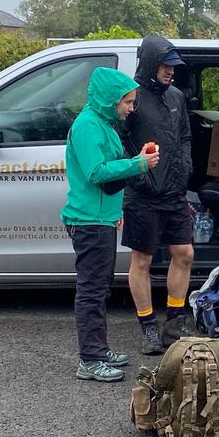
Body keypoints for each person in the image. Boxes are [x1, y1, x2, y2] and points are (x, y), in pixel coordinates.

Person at [62, 67, 160, 382]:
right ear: (110, 99)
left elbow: (111, 171)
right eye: (127, 102)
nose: (131, 108)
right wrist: (137, 164)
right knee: (91, 291)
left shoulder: (103, 123)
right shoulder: (88, 126)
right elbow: (96, 172)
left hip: (100, 218)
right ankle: (89, 359)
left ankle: (99, 351)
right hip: (88, 220)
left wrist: (137, 160)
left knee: (99, 288)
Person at [123, 35, 195, 355]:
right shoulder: (132, 97)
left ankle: (175, 321)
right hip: (143, 194)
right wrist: (138, 174)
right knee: (143, 260)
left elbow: (184, 137)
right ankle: (148, 326)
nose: (171, 72)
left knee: (185, 253)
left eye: (173, 67)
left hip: (174, 192)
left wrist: (184, 170)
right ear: (151, 64)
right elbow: (120, 141)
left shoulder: (177, 96)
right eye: (166, 66)